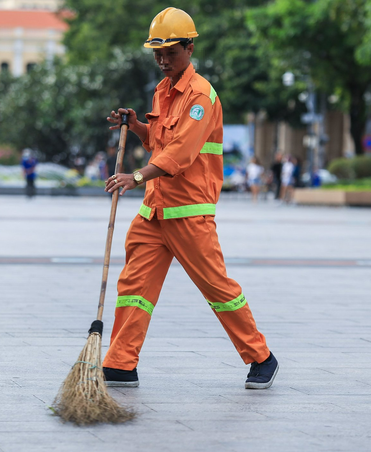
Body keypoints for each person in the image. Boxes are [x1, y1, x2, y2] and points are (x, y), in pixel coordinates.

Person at [102, 7, 278, 390]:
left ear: (190, 48)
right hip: (155, 211)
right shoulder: (163, 91)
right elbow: (160, 141)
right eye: (158, 55)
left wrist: (134, 176)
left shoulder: (201, 95)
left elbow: (180, 153)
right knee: (134, 287)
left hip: (188, 212)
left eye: (171, 53)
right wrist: (135, 126)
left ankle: (261, 357)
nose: (164, 61)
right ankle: (120, 362)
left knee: (218, 290)